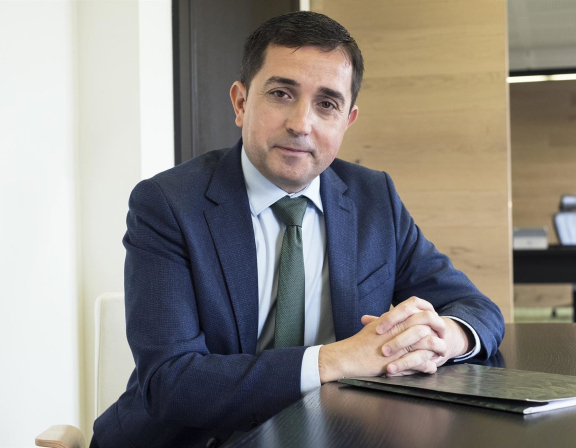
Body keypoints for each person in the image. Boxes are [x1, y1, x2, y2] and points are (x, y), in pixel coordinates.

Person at [92, 11, 504, 448]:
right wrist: (335, 360)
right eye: (281, 94)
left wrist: (445, 337)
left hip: (337, 433)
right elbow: (171, 383)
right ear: (241, 103)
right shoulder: (168, 204)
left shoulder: (373, 198)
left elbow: (476, 307)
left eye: (327, 104)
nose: (301, 124)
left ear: (347, 120)